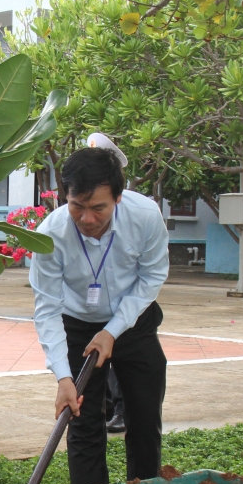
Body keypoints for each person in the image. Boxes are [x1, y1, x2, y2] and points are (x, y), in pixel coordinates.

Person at [29, 145, 170, 484]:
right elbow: (47, 307)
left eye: (98, 208)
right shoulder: (51, 233)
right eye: (77, 206)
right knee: (84, 426)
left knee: (144, 421)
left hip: (135, 322)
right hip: (75, 328)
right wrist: (62, 376)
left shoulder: (145, 217)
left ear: (118, 199)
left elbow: (152, 276)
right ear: (63, 198)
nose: (87, 219)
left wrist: (113, 331)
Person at [85, 133, 140, 437]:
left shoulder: (136, 210)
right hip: (92, 301)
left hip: (123, 301)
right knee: (93, 357)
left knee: (121, 360)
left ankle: (121, 409)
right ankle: (104, 405)